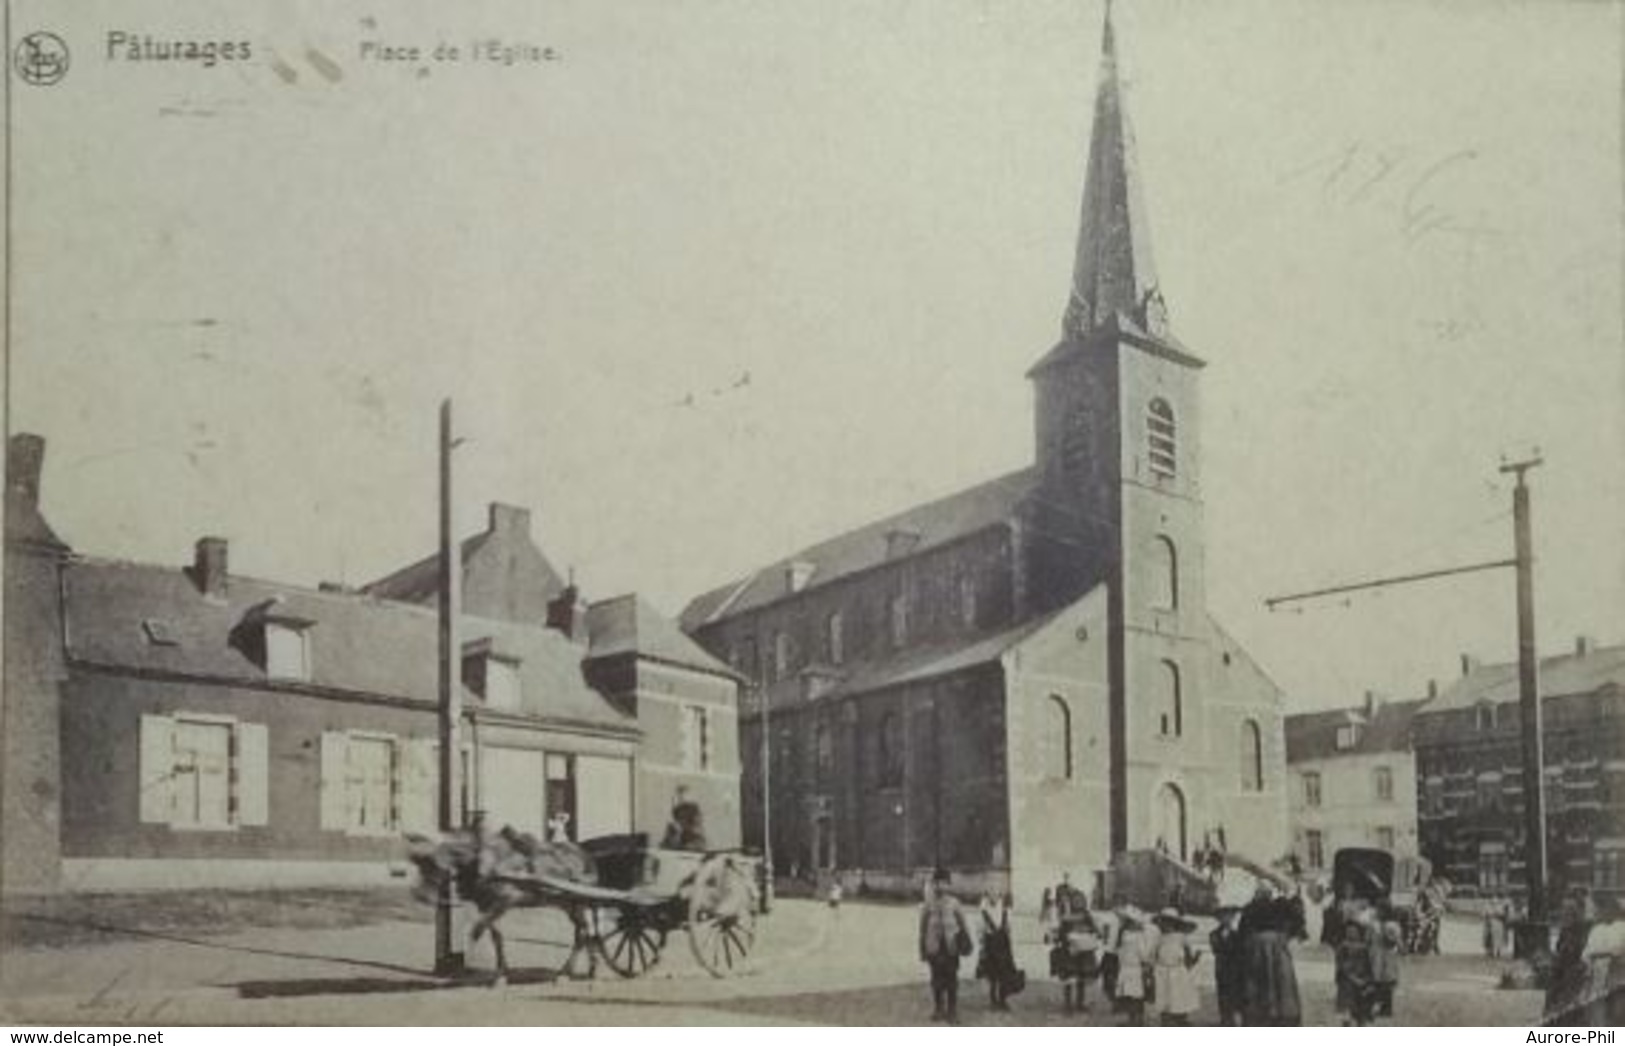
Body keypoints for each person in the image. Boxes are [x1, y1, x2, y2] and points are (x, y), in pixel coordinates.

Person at [1239, 883, 1304, 1026]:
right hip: (1275, 946)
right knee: (1279, 978)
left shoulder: (1251, 907)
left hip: (1261, 946)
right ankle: (1277, 1012)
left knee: (1266, 978)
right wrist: (1287, 935)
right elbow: (1298, 920)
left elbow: (1243, 931)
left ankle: (1267, 1012)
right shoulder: (1278, 905)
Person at [919, 867, 971, 1024]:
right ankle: (938, 1008)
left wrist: (966, 941)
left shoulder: (955, 903)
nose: (940, 886)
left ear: (948, 884)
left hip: (951, 948)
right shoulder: (928, 904)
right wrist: (922, 947)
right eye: (937, 883)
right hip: (934, 948)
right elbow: (922, 927)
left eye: (943, 882)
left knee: (952, 979)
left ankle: (952, 1011)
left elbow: (963, 925)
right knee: (936, 979)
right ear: (934, 884)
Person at [1152, 908, 1201, 1026]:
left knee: (1179, 997)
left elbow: (1189, 958)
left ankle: (1181, 1019)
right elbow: (1154, 955)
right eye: (1162, 922)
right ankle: (1166, 1020)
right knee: (1164, 997)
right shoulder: (1159, 938)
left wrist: (1194, 958)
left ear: (1174, 923)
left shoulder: (1181, 937)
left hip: (1178, 971)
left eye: (1168, 922)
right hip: (1162, 971)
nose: (1165, 925)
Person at [977, 892, 1018, 1011]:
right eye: (991, 895)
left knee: (1004, 974)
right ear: (988, 897)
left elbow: (1009, 929)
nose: (993, 898)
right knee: (992, 974)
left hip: (1003, 945)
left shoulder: (1005, 911)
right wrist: (982, 947)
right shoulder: (984, 912)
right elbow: (980, 931)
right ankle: (993, 1000)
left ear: (999, 896)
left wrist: (1009, 945)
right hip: (990, 945)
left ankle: (1003, 1000)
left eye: (996, 895)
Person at [1113, 908, 1152, 1026]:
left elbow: (1144, 953)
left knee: (1135, 995)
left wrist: (1145, 963)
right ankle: (1133, 1019)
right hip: (1126, 967)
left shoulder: (1138, 936)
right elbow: (1120, 951)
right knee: (1130, 994)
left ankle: (1137, 1020)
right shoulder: (1125, 934)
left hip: (1134, 968)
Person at [1335, 920, 1377, 1027]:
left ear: (1359, 933)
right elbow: (1341, 966)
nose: (1351, 933)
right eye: (1348, 931)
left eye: (1354, 931)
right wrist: (1354, 979)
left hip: (1362, 984)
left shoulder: (1364, 948)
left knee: (1361, 1014)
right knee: (1347, 1014)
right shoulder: (1343, 947)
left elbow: (1369, 966)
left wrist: (1367, 981)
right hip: (1347, 984)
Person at [1210, 906, 1247, 1027]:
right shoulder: (1214, 934)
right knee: (1222, 994)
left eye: (1230, 916)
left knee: (1236, 994)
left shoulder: (1239, 934)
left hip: (1236, 970)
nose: (1226, 919)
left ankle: (1235, 1019)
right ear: (1219, 919)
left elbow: (1242, 951)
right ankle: (1225, 1019)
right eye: (1223, 917)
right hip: (1222, 969)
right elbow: (1216, 949)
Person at [1370, 914, 1402, 1020]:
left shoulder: (1389, 926)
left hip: (1386, 960)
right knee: (1382, 984)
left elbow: (1394, 942)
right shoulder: (1378, 926)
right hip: (1381, 959)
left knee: (1385, 985)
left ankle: (1383, 1008)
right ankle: (1383, 1008)